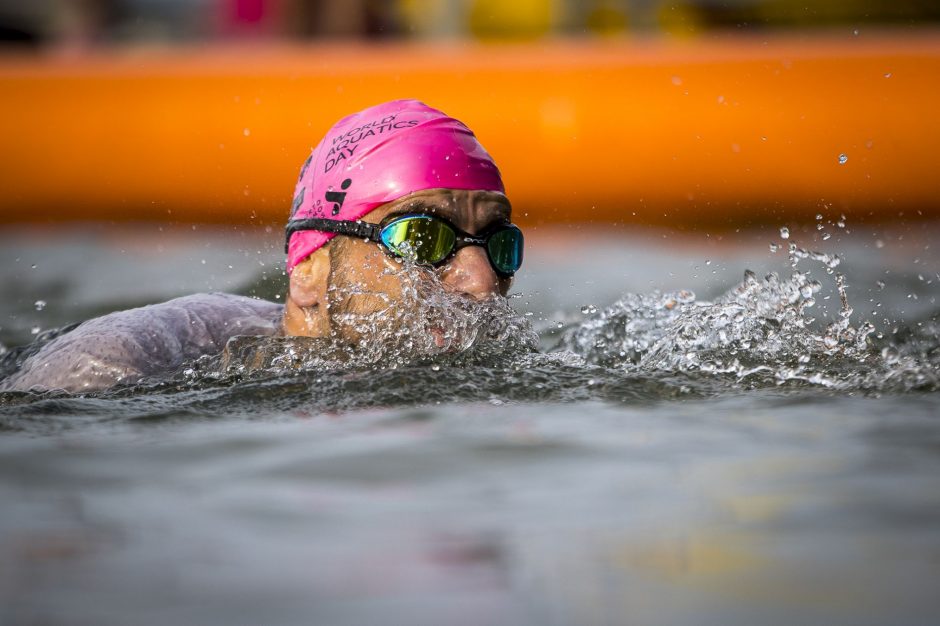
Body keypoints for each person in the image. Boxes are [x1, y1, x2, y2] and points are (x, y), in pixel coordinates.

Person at [0, 99, 524, 393]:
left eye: (498, 244)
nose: (480, 282)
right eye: (420, 237)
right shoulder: (130, 355)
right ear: (308, 269)